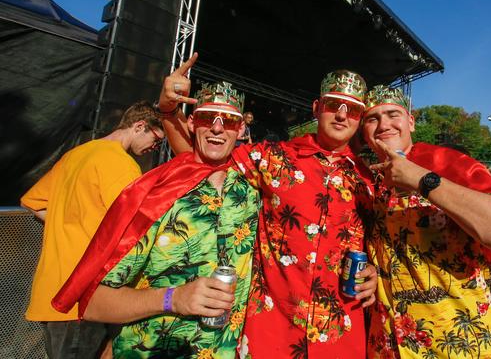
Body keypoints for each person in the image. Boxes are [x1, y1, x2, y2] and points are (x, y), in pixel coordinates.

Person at [157, 55, 378, 358]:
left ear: (360, 118)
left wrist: (375, 272)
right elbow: (201, 163)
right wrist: (168, 111)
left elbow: (385, 245)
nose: (341, 116)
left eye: (352, 109)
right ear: (316, 108)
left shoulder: (370, 181)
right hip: (272, 330)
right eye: (332, 105)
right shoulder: (272, 157)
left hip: (338, 336)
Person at [53, 77, 261, 358]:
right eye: (208, 117)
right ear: (191, 123)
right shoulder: (158, 194)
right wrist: (173, 298)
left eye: (230, 121)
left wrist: (166, 110)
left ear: (241, 130)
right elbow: (93, 303)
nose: (217, 127)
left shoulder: (251, 191)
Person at [358, 86, 491, 358]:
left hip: (461, 345)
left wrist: (423, 180)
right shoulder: (366, 180)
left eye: (392, 114)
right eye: (372, 119)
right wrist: (374, 270)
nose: (384, 124)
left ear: (410, 121)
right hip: (388, 346)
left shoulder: (450, 164)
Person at [20, 101, 163, 358]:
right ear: (140, 126)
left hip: (51, 289)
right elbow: (134, 227)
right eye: (156, 139)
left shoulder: (76, 154)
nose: (155, 147)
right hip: (85, 296)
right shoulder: (123, 165)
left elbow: (33, 203)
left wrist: (69, 221)